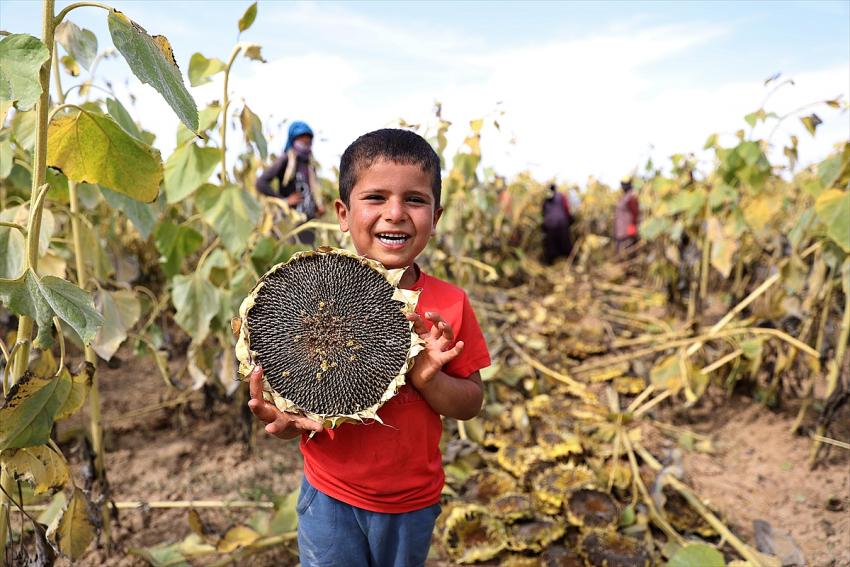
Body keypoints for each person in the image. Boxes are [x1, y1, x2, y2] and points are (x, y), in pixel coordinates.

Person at [247, 129, 491, 567]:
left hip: (412, 501)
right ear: (343, 214)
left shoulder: (450, 304)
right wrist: (285, 422)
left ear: (436, 217)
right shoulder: (310, 294)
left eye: (414, 200)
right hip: (330, 494)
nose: (394, 214)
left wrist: (428, 379)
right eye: (375, 198)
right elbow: (301, 401)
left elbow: (471, 402)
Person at [255, 120, 326, 245]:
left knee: (309, 254)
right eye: (302, 140)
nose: (306, 144)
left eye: (308, 141)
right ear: (293, 140)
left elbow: (309, 191)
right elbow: (261, 183)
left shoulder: (310, 165)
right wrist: (284, 200)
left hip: (308, 222)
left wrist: (317, 206)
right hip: (291, 221)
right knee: (291, 253)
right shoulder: (286, 160)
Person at [541, 183, 572, 264]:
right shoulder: (561, 196)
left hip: (550, 225)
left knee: (551, 246)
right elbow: (567, 209)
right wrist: (569, 219)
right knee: (565, 244)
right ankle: (570, 261)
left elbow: (543, 212)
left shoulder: (545, 198)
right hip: (561, 224)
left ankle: (550, 263)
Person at [613, 177, 640, 254]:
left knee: (629, 253)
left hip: (628, 232)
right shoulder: (625, 197)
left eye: (624, 184)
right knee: (621, 253)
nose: (622, 186)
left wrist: (632, 230)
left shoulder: (631, 197)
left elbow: (635, 214)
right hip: (621, 232)